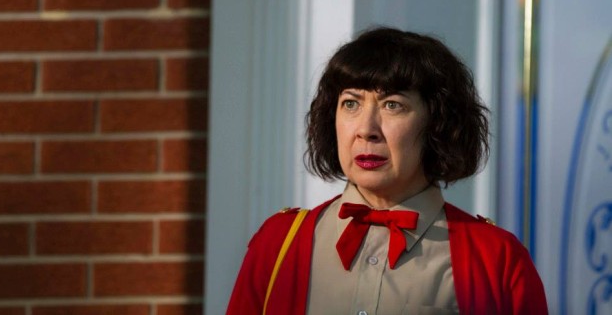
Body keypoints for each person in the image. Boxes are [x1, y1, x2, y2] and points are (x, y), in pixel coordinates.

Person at [226, 27, 548, 314]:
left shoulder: (497, 260)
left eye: (392, 105)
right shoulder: (277, 244)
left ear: (437, 123)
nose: (366, 129)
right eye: (351, 103)